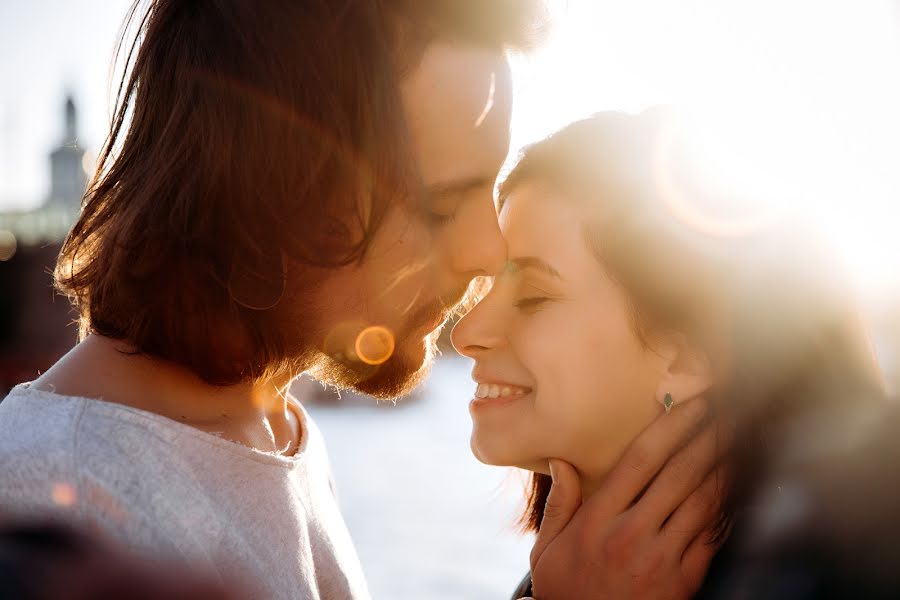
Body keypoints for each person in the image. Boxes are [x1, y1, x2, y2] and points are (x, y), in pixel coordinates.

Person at [0, 3, 722, 599]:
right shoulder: (47, 501)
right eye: (442, 205)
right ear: (270, 196)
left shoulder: (273, 428)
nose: (487, 254)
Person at [450, 110, 887, 599]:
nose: (467, 332)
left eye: (533, 296)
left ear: (688, 357)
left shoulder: (829, 579)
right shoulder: (568, 578)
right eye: (484, 289)